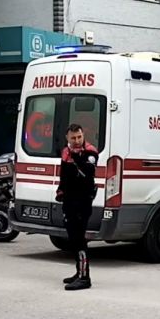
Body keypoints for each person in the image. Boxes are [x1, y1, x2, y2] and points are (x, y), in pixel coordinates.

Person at [56, 123, 99, 290]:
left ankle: (84, 277)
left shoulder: (90, 152)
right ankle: (78, 271)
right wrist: (60, 191)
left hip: (83, 201)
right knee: (72, 239)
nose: (77, 140)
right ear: (67, 137)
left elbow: (88, 171)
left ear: (83, 135)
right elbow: (64, 175)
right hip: (69, 200)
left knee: (79, 239)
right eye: (73, 138)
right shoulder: (65, 152)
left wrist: (76, 156)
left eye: (79, 137)